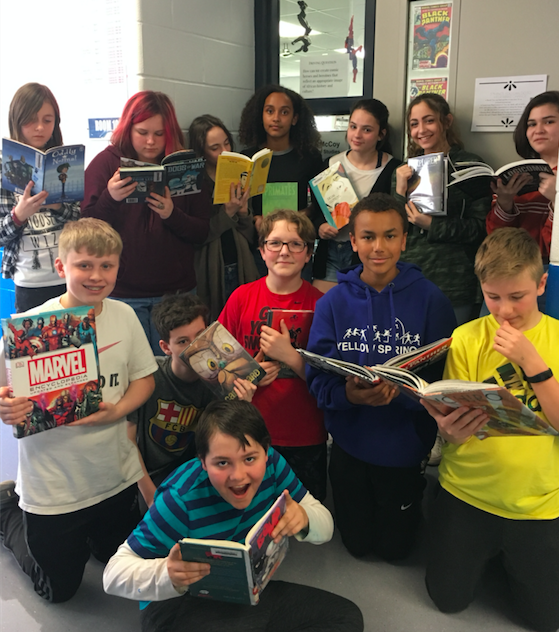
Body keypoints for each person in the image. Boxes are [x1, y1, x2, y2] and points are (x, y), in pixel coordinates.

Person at [0, 218, 158, 603]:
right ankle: (8, 512)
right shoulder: (28, 327)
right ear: (61, 267)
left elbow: (145, 380)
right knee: (58, 591)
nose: (96, 276)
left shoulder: (124, 315)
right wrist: (7, 406)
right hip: (53, 482)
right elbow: (5, 392)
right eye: (84, 265)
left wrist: (116, 409)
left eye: (107, 266)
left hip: (113, 473)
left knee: (113, 559)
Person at [103, 400, 364, 632]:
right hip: (178, 605)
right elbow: (113, 574)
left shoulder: (273, 465)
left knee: (345, 617)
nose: (238, 476)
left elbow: (325, 525)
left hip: (242, 593)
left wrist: (305, 519)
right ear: (202, 462)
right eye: (222, 463)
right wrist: (167, 574)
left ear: (266, 451)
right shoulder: (180, 499)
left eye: (250, 458)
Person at [306, 193, 456, 561]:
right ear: (353, 241)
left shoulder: (432, 300)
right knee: (356, 546)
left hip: (404, 444)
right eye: (368, 237)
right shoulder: (332, 303)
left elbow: (444, 379)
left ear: (404, 240)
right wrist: (350, 396)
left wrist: (403, 395)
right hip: (349, 441)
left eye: (390, 236)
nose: (379, 247)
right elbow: (317, 375)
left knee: (396, 551)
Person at [422, 228, 559, 632]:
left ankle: (508, 562)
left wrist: (533, 363)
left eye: (517, 297)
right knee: (446, 601)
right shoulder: (467, 338)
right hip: (467, 492)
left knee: (547, 621)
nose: (504, 311)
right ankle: (492, 558)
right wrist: (448, 431)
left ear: (541, 284)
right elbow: (453, 423)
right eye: (492, 296)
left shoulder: (554, 338)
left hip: (538, 502)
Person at [82, 91, 211, 353]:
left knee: (183, 369)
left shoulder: (186, 166)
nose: (151, 141)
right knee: (133, 371)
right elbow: (85, 233)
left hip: (177, 291)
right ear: (128, 129)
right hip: (124, 292)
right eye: (142, 132)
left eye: (159, 133)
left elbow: (202, 232)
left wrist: (171, 214)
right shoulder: (106, 164)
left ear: (170, 132)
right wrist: (111, 197)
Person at [218, 209, 327, 501]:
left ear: (308, 253)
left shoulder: (322, 304)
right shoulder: (241, 297)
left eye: (295, 244)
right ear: (262, 251)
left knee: (305, 513)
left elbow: (331, 379)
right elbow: (216, 365)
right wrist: (248, 376)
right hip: (250, 429)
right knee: (254, 509)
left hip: (304, 431)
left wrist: (290, 357)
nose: (284, 252)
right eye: (275, 243)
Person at [127, 291, 257, 511]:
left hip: (201, 468)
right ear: (166, 347)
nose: (194, 347)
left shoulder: (222, 380)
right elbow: (127, 442)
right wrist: (150, 494)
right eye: (182, 341)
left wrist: (245, 405)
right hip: (154, 474)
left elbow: (233, 443)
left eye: (200, 335)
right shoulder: (149, 377)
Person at [393, 93, 491, 325]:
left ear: (446, 121)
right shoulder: (404, 170)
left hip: (455, 279)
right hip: (410, 276)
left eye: (429, 120)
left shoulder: (471, 166)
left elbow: (480, 229)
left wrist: (432, 225)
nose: (421, 130)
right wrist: (399, 190)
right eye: (414, 124)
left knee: (454, 354)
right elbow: (392, 229)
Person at [0, 83, 80, 312]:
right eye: (30, 120)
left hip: (69, 275)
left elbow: (79, 218)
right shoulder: (3, 166)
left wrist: (58, 205)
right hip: (29, 281)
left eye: (48, 120)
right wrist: (18, 215)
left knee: (75, 345)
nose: (39, 127)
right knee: (34, 345)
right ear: (17, 120)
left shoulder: (65, 161)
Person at [312, 98, 401, 293]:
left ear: (381, 134)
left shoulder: (394, 170)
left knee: (360, 313)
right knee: (326, 311)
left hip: (369, 255)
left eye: (366, 130)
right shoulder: (331, 164)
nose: (357, 135)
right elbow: (316, 211)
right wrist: (321, 227)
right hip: (331, 251)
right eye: (353, 127)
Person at [238, 85, 323, 277]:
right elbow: (241, 205)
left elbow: (319, 205)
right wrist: (254, 219)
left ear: (294, 119)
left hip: (297, 247)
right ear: (261, 116)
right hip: (260, 248)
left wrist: (302, 215)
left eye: (284, 112)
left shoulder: (309, 157)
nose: (276, 118)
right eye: (269, 111)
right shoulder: (248, 158)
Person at [188, 114, 259, 321]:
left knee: (243, 319)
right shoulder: (195, 183)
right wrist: (227, 213)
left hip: (240, 260)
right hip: (210, 266)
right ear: (202, 151)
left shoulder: (239, 174)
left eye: (227, 143)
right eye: (215, 148)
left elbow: (248, 235)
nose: (225, 151)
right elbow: (198, 234)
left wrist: (244, 212)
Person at [486, 90, 558, 262]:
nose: (538, 130)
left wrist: (556, 201)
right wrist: (505, 203)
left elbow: (550, 248)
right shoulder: (518, 173)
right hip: (516, 270)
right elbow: (498, 241)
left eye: (549, 122)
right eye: (531, 124)